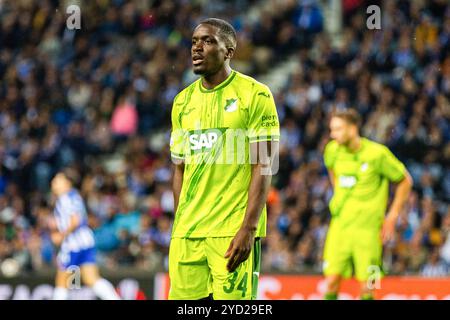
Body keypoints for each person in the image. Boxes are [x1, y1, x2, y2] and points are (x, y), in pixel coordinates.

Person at [168, 18, 280, 300]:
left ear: (229, 51)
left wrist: (249, 228)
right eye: (194, 41)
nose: (197, 48)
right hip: (187, 236)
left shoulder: (255, 95)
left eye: (207, 41)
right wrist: (180, 224)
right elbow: (179, 169)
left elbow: (264, 164)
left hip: (231, 232)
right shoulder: (182, 102)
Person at [322, 109, 413, 300]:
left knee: (369, 286)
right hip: (340, 227)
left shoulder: (377, 154)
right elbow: (332, 170)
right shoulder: (332, 150)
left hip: (369, 231)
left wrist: (392, 216)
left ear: (353, 128)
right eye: (332, 129)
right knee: (330, 282)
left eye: (337, 129)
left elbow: (405, 181)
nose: (333, 134)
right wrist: (338, 193)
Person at [50, 169, 121, 300]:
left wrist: (62, 235)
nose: (53, 182)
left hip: (73, 244)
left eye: (57, 179)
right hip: (86, 241)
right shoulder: (74, 195)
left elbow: (75, 219)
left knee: (61, 281)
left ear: (67, 183)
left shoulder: (65, 198)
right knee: (91, 278)